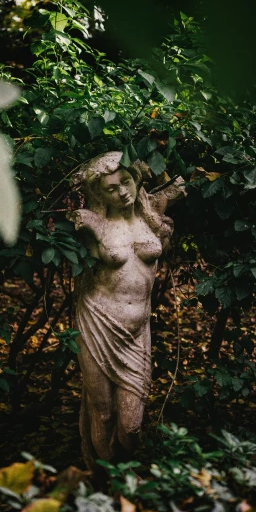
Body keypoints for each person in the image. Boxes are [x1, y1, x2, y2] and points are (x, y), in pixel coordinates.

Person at [67, 151, 185, 469]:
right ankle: (103, 479)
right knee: (102, 414)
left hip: (137, 332)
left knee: (131, 425)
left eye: (126, 181)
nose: (122, 191)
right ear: (98, 193)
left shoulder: (151, 210)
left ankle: (122, 471)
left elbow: (182, 182)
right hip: (98, 323)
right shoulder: (91, 220)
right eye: (111, 188)